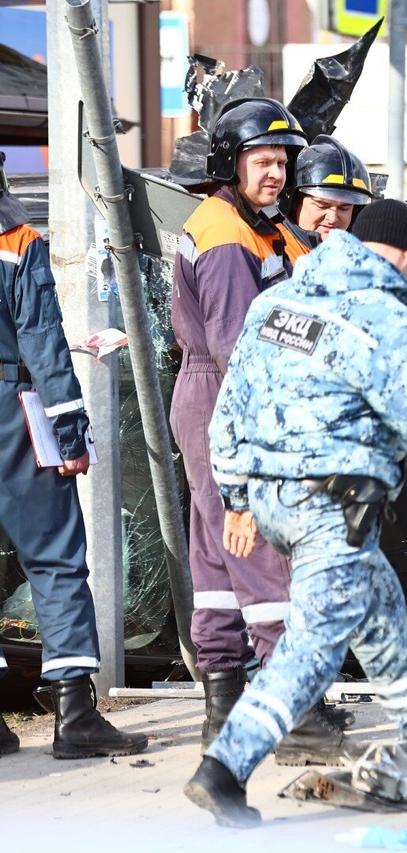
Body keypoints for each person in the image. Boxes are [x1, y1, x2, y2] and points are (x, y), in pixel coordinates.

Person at [185, 200, 407, 827]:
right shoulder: (382, 318)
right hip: (334, 503)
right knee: (313, 644)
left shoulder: (276, 305)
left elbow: (229, 410)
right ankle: (223, 769)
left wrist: (237, 496)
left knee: (376, 597)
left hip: (275, 497)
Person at [170, 97, 346, 763]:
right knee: (263, 549)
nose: (275, 174)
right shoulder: (225, 236)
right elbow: (239, 340)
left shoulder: (252, 226)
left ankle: (223, 711)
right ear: (231, 163)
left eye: (282, 162)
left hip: (210, 393)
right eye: (263, 161)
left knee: (216, 556)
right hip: (231, 393)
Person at [0, 153, 147, 759]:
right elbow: (42, 340)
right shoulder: (17, 241)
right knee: (55, 556)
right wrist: (70, 432)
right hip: (11, 411)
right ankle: (75, 713)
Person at [289, 134, 373, 240]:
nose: (332, 219)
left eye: (344, 208)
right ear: (294, 203)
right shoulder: (271, 249)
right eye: (322, 205)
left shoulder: (358, 253)